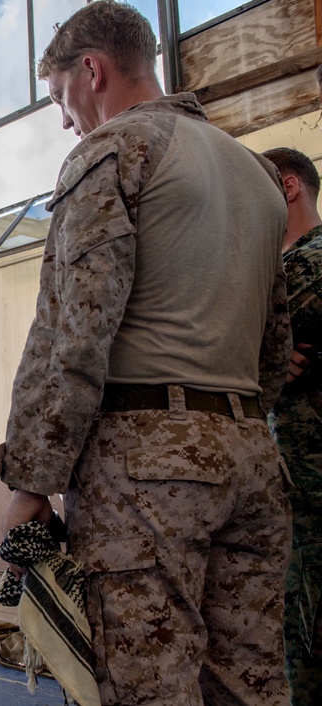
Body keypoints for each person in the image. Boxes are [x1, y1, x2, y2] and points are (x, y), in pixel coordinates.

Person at [0, 3, 292, 705]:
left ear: (91, 70)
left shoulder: (115, 150)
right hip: (252, 454)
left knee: (149, 687)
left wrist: (31, 484)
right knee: (250, 680)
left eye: (59, 98)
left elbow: (75, 335)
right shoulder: (254, 171)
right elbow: (273, 347)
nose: (65, 120)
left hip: (145, 473)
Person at [262, 146, 322, 706]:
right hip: (300, 495)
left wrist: (262, 360)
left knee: (304, 645)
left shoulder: (305, 265)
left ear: (286, 188)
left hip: (312, 500)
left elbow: (224, 345)